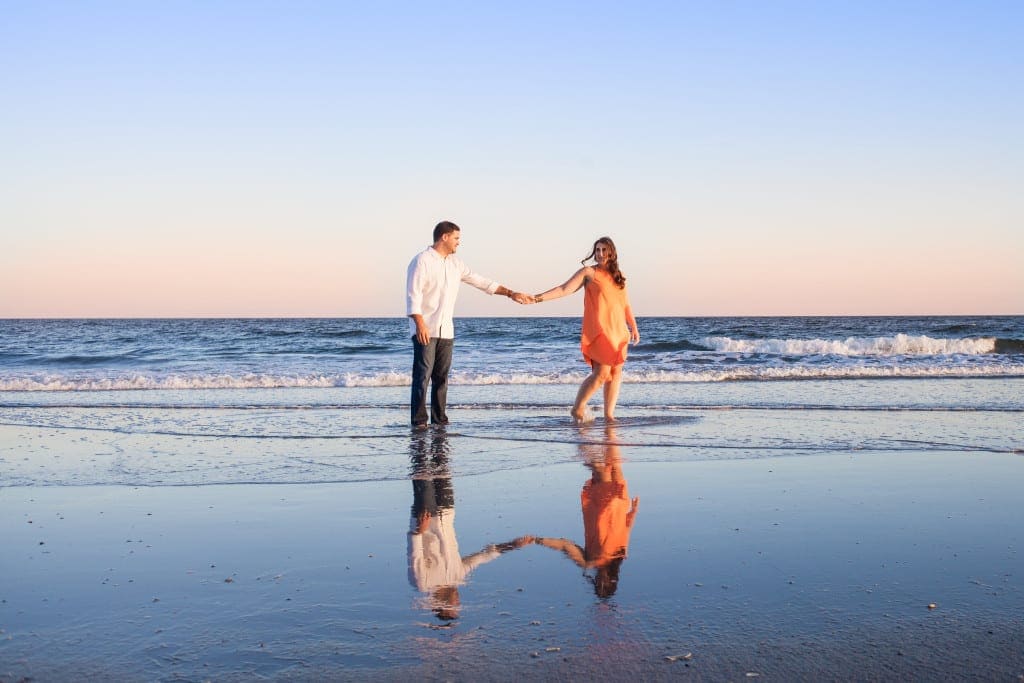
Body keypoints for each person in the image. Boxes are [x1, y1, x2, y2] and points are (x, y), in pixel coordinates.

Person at [406, 221, 532, 429]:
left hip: (446, 329)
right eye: (456, 238)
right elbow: (413, 294)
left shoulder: (456, 264)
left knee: (441, 378)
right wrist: (419, 323)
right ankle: (419, 421)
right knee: (422, 376)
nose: (458, 243)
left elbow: (480, 281)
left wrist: (511, 293)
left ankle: (440, 419)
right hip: (425, 328)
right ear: (444, 237)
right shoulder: (421, 261)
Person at [407, 430, 533, 621]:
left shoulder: (423, 584)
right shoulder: (458, 577)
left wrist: (418, 531)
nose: (458, 601)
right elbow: (482, 557)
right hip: (447, 512)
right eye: (458, 606)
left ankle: (418, 427)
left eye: (454, 606)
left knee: (422, 465)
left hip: (426, 519)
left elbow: (414, 555)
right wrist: (512, 545)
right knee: (442, 461)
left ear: (441, 606)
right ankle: (439, 428)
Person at [533, 237, 639, 423]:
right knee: (601, 373)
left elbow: (625, 305)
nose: (600, 254)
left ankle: (609, 415)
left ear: (612, 253)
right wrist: (537, 298)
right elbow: (565, 288)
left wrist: (634, 327)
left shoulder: (618, 276)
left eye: (604, 250)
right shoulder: (589, 272)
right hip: (599, 330)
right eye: (597, 250)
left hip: (618, 332)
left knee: (616, 373)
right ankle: (577, 408)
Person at [533, 426, 639, 598]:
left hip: (602, 505)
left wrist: (538, 540)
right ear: (613, 580)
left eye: (598, 585)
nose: (601, 581)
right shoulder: (620, 556)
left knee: (598, 466)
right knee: (615, 462)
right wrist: (633, 512)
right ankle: (603, 427)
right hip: (619, 504)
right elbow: (625, 531)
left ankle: (581, 431)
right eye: (605, 584)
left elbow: (565, 546)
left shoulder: (589, 562)